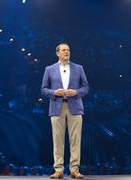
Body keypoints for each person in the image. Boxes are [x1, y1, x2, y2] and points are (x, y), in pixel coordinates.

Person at [41, 43, 89, 179]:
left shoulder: (78, 68)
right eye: (63, 50)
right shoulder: (49, 69)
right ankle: (58, 170)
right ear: (58, 53)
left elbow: (86, 87)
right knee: (58, 140)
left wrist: (76, 92)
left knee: (75, 140)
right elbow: (43, 89)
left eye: (68, 50)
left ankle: (74, 170)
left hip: (75, 106)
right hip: (57, 107)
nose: (66, 52)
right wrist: (54, 92)